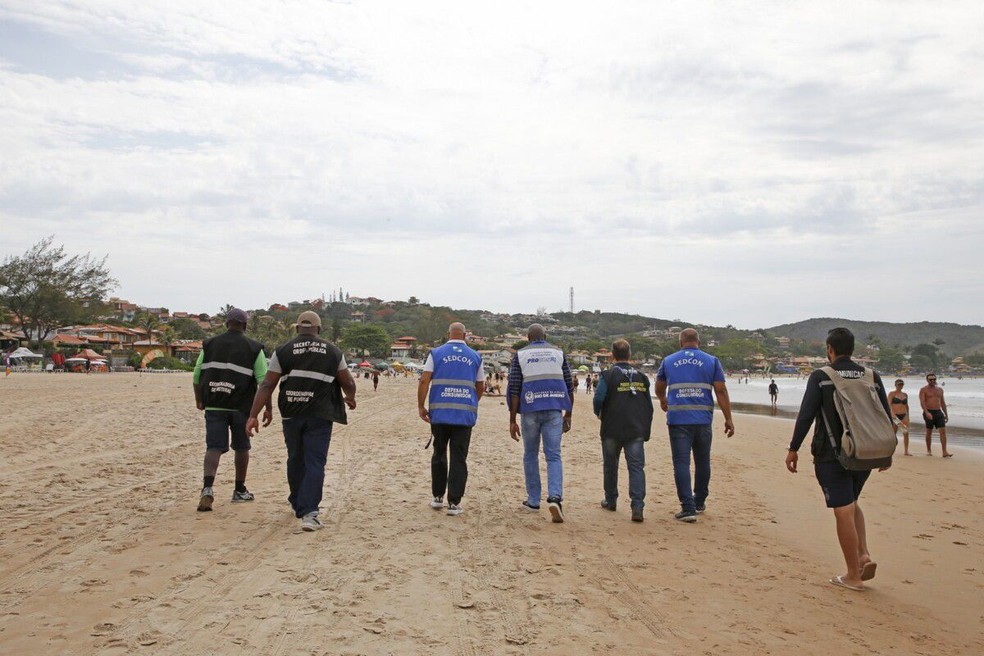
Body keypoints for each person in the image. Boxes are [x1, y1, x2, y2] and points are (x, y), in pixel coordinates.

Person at [785, 327, 892, 591]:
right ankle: (863, 554)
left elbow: (806, 415)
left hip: (831, 454)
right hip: (866, 452)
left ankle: (852, 576)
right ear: (852, 349)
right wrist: (886, 453)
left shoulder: (822, 376)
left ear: (830, 349)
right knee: (852, 503)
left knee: (843, 510)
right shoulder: (871, 375)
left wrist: (793, 448)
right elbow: (884, 416)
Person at [246, 311, 357, 531]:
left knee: (295, 458)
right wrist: (350, 398)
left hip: (291, 412)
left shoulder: (283, 350)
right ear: (319, 329)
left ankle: (298, 501)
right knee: (315, 461)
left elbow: (267, 385)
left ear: (297, 328)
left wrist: (252, 415)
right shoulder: (333, 351)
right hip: (320, 413)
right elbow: (348, 381)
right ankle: (310, 513)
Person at [192, 308, 269, 512]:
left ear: (227, 324)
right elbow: (264, 382)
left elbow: (197, 375)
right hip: (241, 407)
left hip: (215, 404)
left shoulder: (209, 344)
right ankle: (239, 489)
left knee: (213, 448)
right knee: (242, 447)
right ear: (244, 325)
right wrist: (266, 408)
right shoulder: (254, 348)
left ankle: (207, 489)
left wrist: (199, 400)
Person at [655, 328, 734, 523]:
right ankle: (699, 502)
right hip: (703, 420)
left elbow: (658, 385)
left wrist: (663, 399)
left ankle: (688, 507)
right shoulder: (711, 360)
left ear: (681, 342)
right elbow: (721, 390)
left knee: (681, 463)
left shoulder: (669, 360)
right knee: (703, 461)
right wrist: (728, 418)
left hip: (678, 420)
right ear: (699, 342)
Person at [508, 323, 575, 523]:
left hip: (529, 410)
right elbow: (569, 384)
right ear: (545, 336)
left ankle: (534, 500)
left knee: (530, 454)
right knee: (553, 455)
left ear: (528, 337)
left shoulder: (520, 355)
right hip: (554, 408)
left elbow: (514, 389)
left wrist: (512, 420)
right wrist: (569, 414)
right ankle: (555, 497)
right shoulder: (558, 353)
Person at [417, 322, 485, 516]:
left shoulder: (436, 354)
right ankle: (454, 502)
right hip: (464, 415)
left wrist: (421, 406)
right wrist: (471, 401)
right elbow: (480, 386)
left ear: (448, 334)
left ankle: (437, 497)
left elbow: (424, 380)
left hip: (439, 413)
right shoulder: (475, 356)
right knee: (459, 457)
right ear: (464, 336)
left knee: (439, 453)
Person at [593, 339, 653, 522]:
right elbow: (648, 406)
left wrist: (600, 414)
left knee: (611, 465)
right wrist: (645, 427)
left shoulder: (608, 375)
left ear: (612, 355)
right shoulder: (642, 376)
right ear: (630, 355)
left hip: (612, 427)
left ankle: (611, 500)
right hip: (635, 428)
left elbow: (598, 398)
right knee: (636, 467)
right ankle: (637, 506)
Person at [919, 373, 951, 457]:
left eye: (934, 379)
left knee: (943, 431)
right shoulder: (923, 389)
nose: (932, 381)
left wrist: (946, 414)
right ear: (927, 380)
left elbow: (943, 402)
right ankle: (929, 450)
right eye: (930, 379)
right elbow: (922, 402)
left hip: (938, 412)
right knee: (929, 431)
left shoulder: (940, 389)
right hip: (929, 411)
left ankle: (944, 452)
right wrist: (926, 412)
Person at [888, 379, 911, 456]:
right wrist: (892, 414)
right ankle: (891, 450)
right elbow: (889, 405)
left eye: (901, 384)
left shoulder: (905, 394)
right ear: (895, 385)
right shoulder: (892, 394)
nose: (900, 386)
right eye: (899, 384)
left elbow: (906, 406)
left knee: (905, 432)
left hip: (903, 415)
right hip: (895, 416)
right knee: (893, 433)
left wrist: (908, 415)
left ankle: (906, 451)